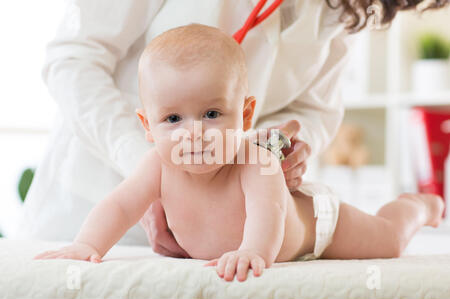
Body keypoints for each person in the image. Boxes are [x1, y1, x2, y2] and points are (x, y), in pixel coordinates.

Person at [7, 0, 448, 257]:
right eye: (173, 119)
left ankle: (418, 206)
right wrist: (154, 161)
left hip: (282, 208)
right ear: (150, 124)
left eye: (210, 116)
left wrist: (281, 146)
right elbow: (74, 58)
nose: (192, 131)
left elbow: (314, 108)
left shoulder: (345, 8)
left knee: (386, 240)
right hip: (86, 189)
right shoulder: (153, 163)